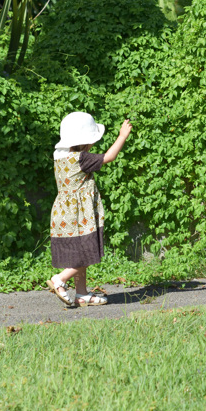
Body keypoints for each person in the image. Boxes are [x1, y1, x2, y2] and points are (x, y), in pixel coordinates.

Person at [47, 112, 132, 307]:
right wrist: (122, 136)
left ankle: (82, 294)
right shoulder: (82, 158)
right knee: (86, 252)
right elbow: (109, 157)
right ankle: (59, 279)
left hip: (62, 214)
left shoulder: (59, 156)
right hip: (79, 216)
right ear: (86, 140)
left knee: (78, 253)